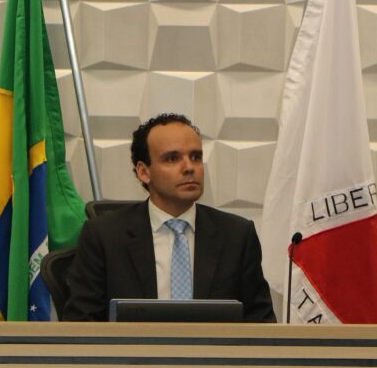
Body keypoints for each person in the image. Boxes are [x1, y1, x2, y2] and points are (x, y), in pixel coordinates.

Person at [64, 113, 276, 322]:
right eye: (172, 158)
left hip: (215, 356)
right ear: (144, 172)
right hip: (132, 356)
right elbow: (82, 324)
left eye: (196, 157)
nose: (189, 168)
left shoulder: (237, 235)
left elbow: (261, 325)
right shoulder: (104, 236)